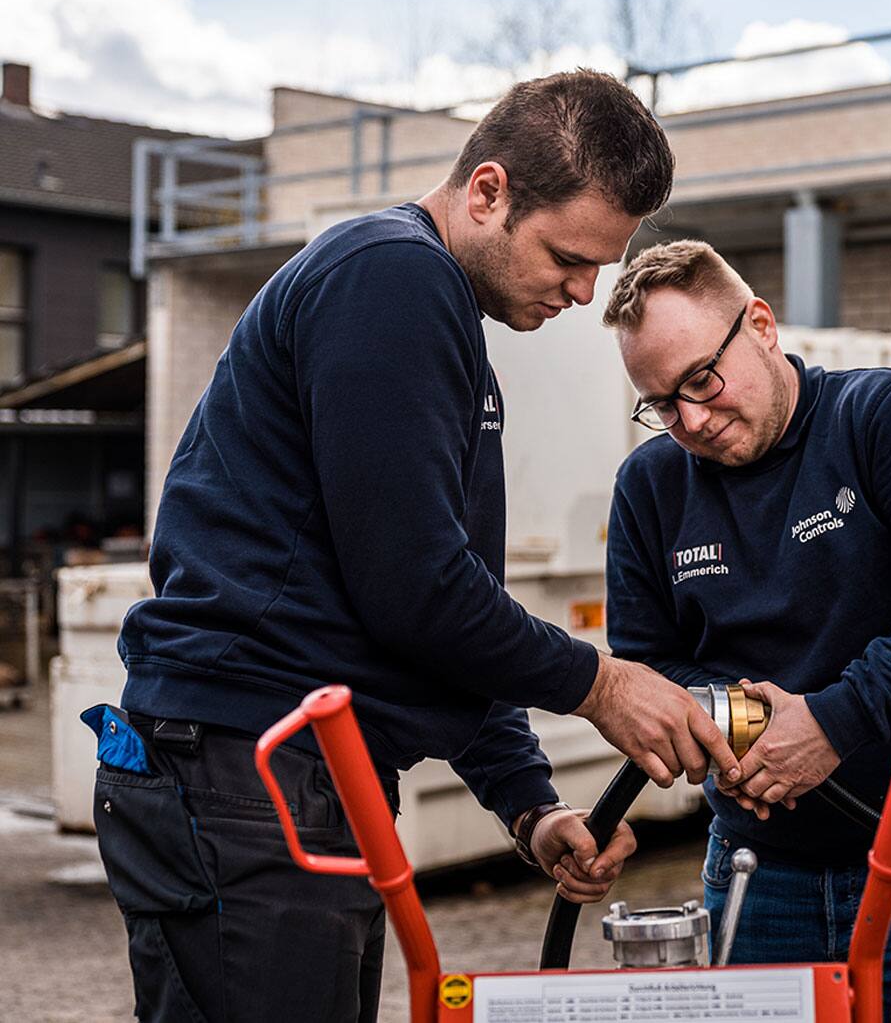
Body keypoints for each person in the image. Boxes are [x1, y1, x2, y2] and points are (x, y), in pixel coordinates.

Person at [88, 73, 743, 1023]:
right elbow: (414, 590)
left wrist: (527, 802)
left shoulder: (441, 331)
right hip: (244, 772)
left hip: (296, 781)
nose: (583, 290)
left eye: (602, 265)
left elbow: (438, 608)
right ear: (487, 192)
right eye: (568, 255)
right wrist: (604, 685)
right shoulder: (390, 278)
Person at [602, 240, 891, 1022]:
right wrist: (725, 735)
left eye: (701, 379)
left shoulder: (881, 418)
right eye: (662, 403)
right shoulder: (650, 487)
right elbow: (646, 668)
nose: (690, 420)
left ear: (759, 324)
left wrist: (836, 719)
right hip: (758, 871)